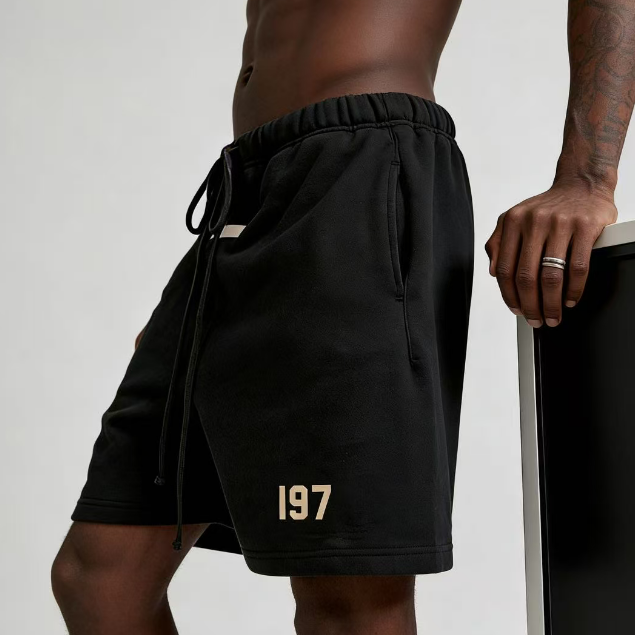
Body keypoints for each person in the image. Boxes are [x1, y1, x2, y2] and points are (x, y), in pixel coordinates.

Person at [51, 0, 632, 633]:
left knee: (346, 599)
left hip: (357, 169)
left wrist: (586, 176)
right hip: (243, 199)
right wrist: (198, 305)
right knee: (99, 577)